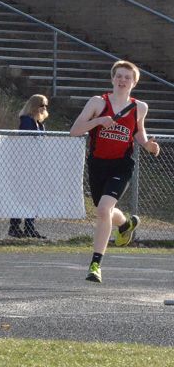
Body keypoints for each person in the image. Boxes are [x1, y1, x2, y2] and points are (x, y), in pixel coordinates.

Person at [70, 60, 159, 283]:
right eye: (118, 76)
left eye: (127, 77)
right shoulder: (98, 103)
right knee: (105, 211)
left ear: (134, 82)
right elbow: (75, 131)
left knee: (103, 209)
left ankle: (95, 264)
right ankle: (126, 224)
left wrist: (148, 145)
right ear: (112, 79)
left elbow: (139, 133)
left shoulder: (140, 107)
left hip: (121, 164)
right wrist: (99, 120)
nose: (122, 80)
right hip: (98, 163)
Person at [7, 94, 49, 239]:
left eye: (45, 105)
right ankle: (15, 226)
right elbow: (27, 142)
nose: (44, 108)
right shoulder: (27, 121)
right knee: (23, 196)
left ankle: (30, 227)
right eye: (41, 105)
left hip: (37, 166)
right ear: (34, 106)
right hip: (25, 166)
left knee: (34, 197)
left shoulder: (40, 123)